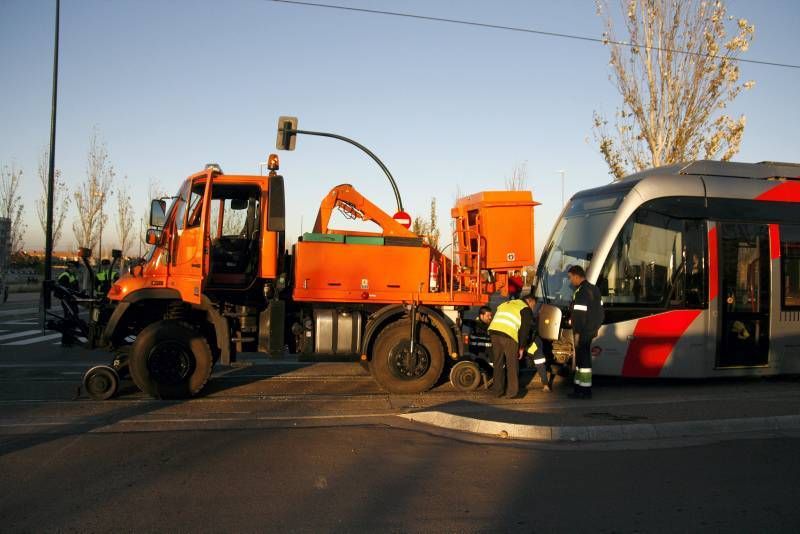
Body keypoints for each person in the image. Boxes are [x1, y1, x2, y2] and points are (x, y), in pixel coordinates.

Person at [487, 293, 539, 398]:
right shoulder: (525, 308)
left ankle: (497, 391)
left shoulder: (505, 303)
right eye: (534, 305)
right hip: (508, 335)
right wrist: (521, 347)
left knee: (498, 363)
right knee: (512, 365)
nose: (533, 308)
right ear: (529, 301)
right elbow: (524, 331)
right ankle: (512, 392)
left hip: (494, 333)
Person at [567, 265, 604, 399]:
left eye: (570, 278)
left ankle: (583, 390)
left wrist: (577, 331)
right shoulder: (594, 289)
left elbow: (579, 316)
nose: (570, 281)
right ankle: (580, 388)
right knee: (583, 360)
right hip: (590, 330)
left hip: (582, 331)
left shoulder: (581, 292)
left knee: (582, 361)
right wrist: (595, 328)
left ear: (577, 276)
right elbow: (600, 313)